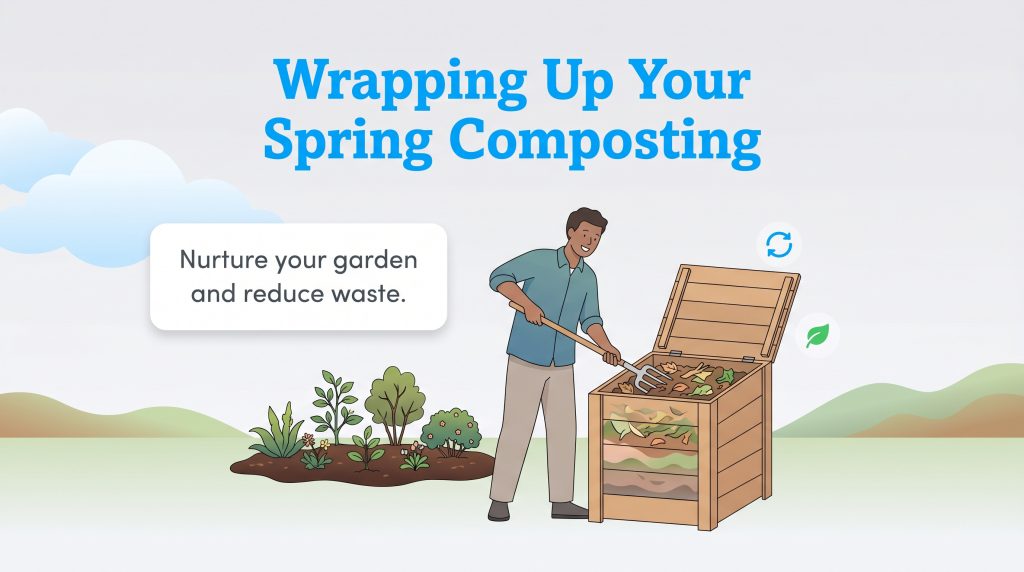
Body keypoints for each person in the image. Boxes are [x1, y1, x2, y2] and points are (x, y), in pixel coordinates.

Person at [486, 207, 621, 522]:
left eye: (596, 237)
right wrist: (527, 305)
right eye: (585, 233)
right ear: (571, 232)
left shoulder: (588, 277)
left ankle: (562, 501)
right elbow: (498, 278)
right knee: (517, 428)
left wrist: (606, 345)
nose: (590, 241)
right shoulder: (541, 260)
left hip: (562, 363)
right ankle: (500, 500)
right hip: (527, 358)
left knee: (564, 432)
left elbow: (591, 319)